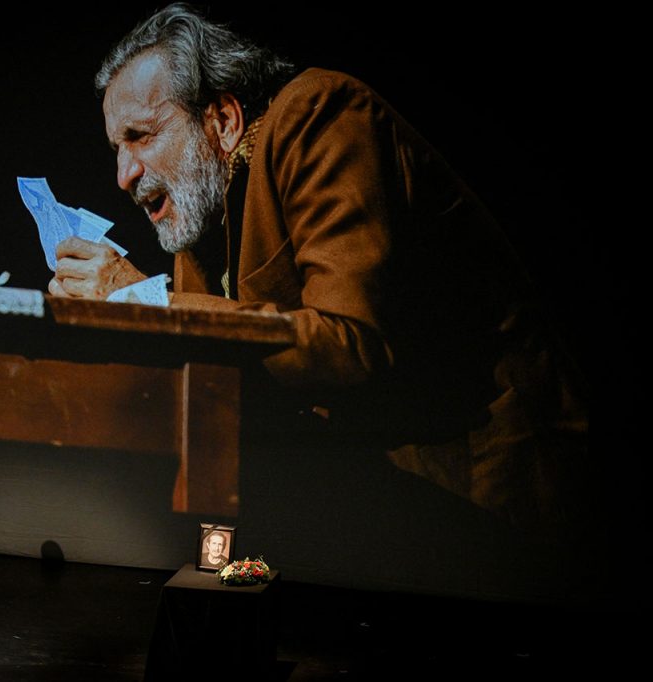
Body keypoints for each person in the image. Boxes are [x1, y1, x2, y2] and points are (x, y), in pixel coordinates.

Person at [48, 4, 587, 528]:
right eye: (117, 147)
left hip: (491, 491)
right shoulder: (201, 208)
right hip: (376, 499)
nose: (123, 174)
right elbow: (210, 369)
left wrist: (144, 300)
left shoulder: (320, 114)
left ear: (223, 120)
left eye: (140, 136)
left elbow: (351, 344)